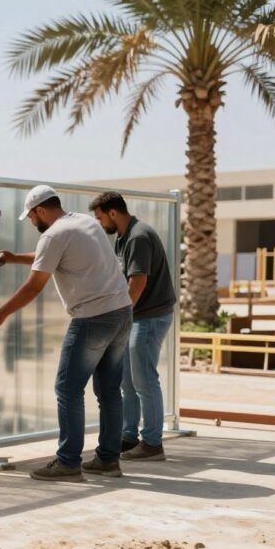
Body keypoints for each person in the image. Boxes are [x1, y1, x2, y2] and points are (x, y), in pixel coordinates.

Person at [0, 185, 132, 482]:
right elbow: (53, 256)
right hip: (122, 311)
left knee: (67, 389)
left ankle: (67, 462)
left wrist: (1, 314)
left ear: (40, 210)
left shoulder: (53, 234)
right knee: (109, 391)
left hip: (93, 317)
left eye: (30, 217)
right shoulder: (84, 222)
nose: (31, 222)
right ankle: (107, 459)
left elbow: (34, 285)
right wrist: (14, 258)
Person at [89, 192, 176, 461]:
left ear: (113, 213)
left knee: (144, 381)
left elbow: (137, 283)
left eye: (100, 218)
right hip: (136, 317)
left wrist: (119, 317)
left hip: (149, 318)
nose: (100, 224)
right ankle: (128, 437)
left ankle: (152, 443)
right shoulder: (122, 238)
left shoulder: (138, 236)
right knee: (127, 381)